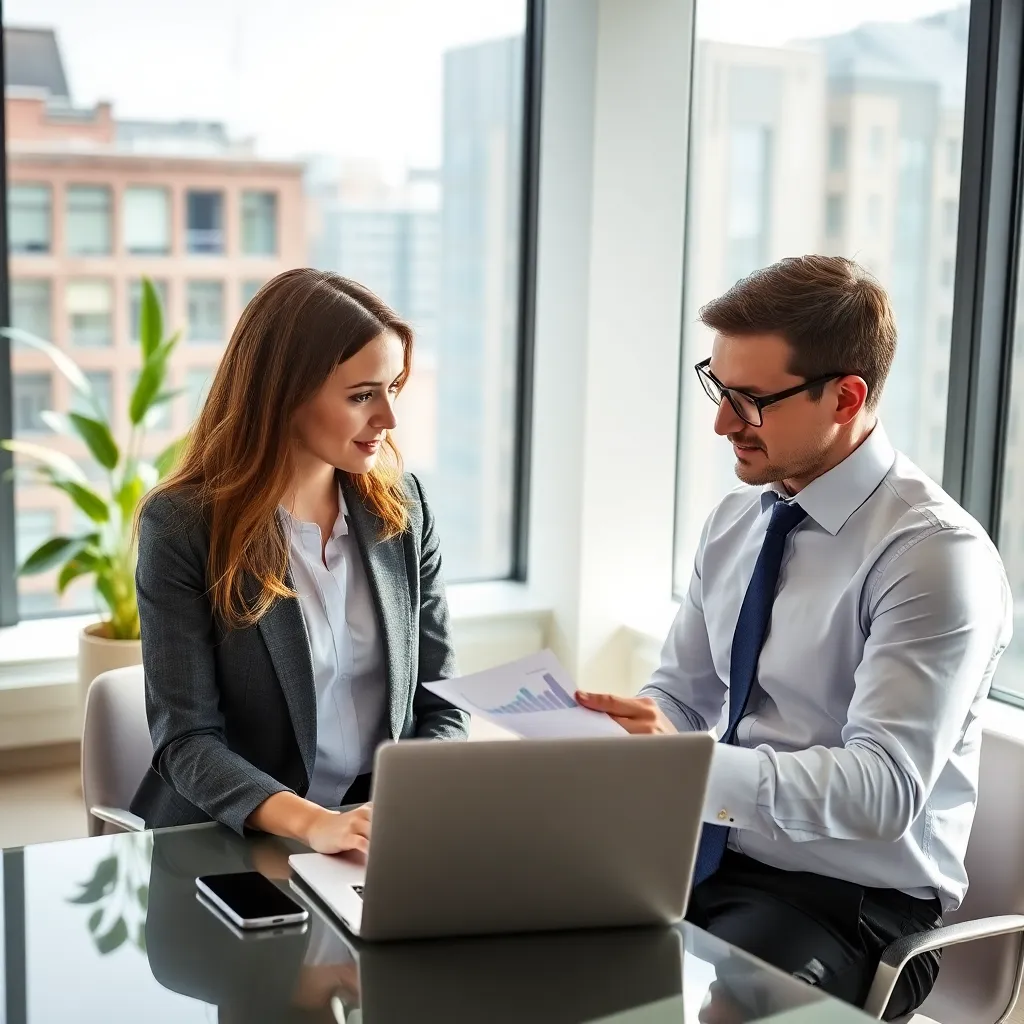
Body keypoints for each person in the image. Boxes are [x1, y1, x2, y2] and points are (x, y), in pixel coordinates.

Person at [576, 255, 1012, 1020]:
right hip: (702, 853)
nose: (720, 424)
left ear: (845, 397)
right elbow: (681, 690)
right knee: (514, 941)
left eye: (749, 401)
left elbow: (881, 791)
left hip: (848, 904)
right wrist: (634, 732)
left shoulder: (933, 557)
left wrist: (686, 766)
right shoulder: (740, 518)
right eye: (717, 387)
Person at [130, 268, 468, 853]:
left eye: (393, 390)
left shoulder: (405, 509)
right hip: (229, 840)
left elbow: (441, 703)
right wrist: (317, 824)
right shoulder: (184, 526)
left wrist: (400, 806)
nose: (387, 419)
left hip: (374, 837)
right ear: (284, 393)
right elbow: (187, 742)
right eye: (362, 395)